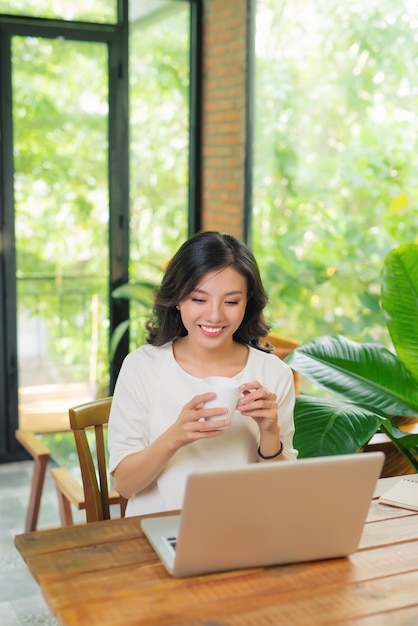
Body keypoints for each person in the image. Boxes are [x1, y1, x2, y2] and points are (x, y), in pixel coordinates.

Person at [108, 231, 298, 517]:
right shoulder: (142, 367)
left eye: (231, 302)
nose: (214, 316)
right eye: (199, 299)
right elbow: (124, 485)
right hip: (158, 531)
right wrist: (175, 436)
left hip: (245, 529)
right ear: (177, 300)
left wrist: (269, 431)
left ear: (248, 305)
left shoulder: (273, 374)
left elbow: (282, 494)